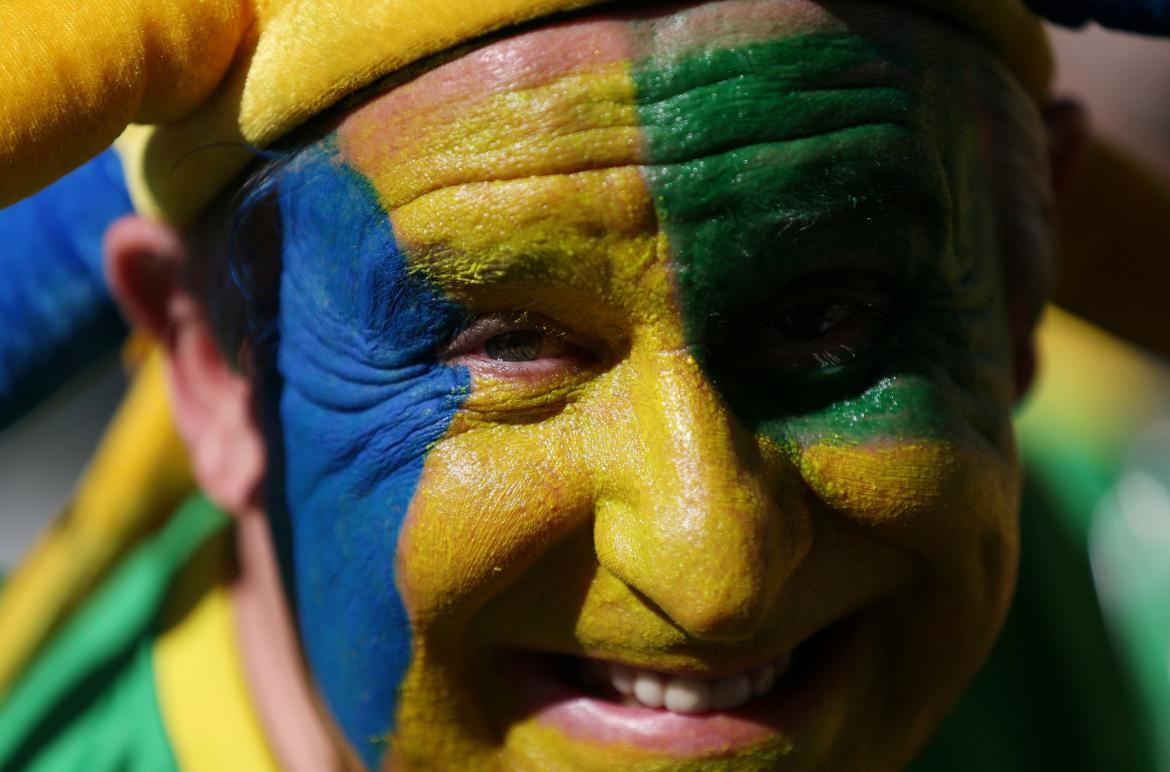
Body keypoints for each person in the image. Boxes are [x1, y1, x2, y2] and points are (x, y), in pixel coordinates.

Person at [1, 1, 1168, 770]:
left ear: (1022, 290)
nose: (714, 574)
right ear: (212, 363)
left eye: (828, 320)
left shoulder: (1122, 565)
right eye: (508, 340)